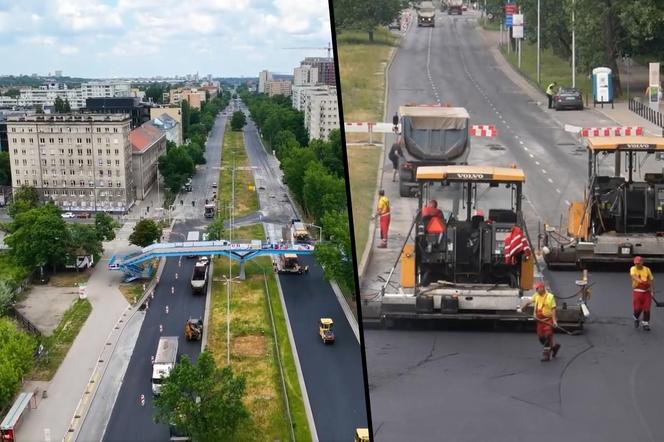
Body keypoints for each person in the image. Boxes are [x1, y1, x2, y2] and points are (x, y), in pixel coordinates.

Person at [522, 282, 560, 361]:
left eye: (537, 289)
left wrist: (554, 321)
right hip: (539, 321)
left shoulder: (550, 297)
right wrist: (524, 306)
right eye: (536, 289)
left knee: (547, 335)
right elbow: (530, 301)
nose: (536, 290)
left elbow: (553, 309)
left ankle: (546, 355)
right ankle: (554, 347)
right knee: (541, 338)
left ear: (542, 288)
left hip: (548, 321)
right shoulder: (536, 295)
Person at [630, 256, 654, 331]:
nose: (637, 265)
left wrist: (652, 290)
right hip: (637, 291)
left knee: (647, 308)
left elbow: (651, 280)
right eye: (636, 263)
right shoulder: (633, 268)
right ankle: (636, 317)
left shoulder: (647, 270)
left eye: (638, 263)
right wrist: (641, 281)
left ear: (642, 262)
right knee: (638, 308)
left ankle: (645, 323)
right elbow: (634, 276)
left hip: (647, 292)